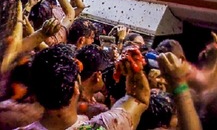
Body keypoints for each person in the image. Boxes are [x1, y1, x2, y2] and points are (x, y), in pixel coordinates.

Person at [18, 44, 149, 130]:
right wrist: (135, 71)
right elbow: (139, 99)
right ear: (76, 88)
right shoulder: (104, 126)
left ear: (34, 93)